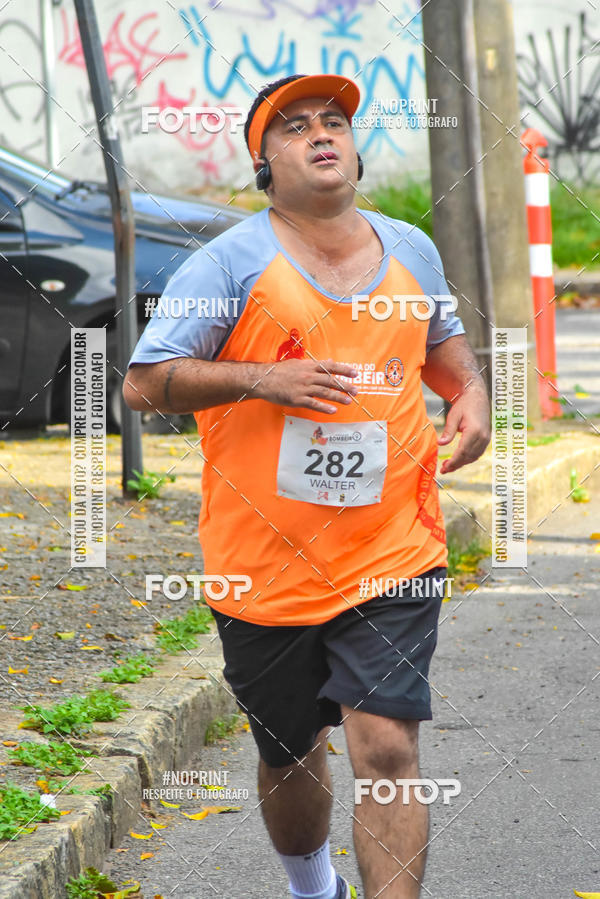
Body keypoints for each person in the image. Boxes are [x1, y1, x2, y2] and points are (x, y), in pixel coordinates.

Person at [124, 73, 491, 899]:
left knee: (388, 745)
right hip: (264, 564)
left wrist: (471, 393)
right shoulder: (228, 263)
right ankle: (311, 886)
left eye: (334, 121)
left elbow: (446, 346)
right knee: (289, 752)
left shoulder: (412, 249)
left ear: (355, 149)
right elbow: (144, 385)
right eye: (294, 128)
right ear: (266, 163)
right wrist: (263, 379)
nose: (321, 133)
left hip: (394, 547)